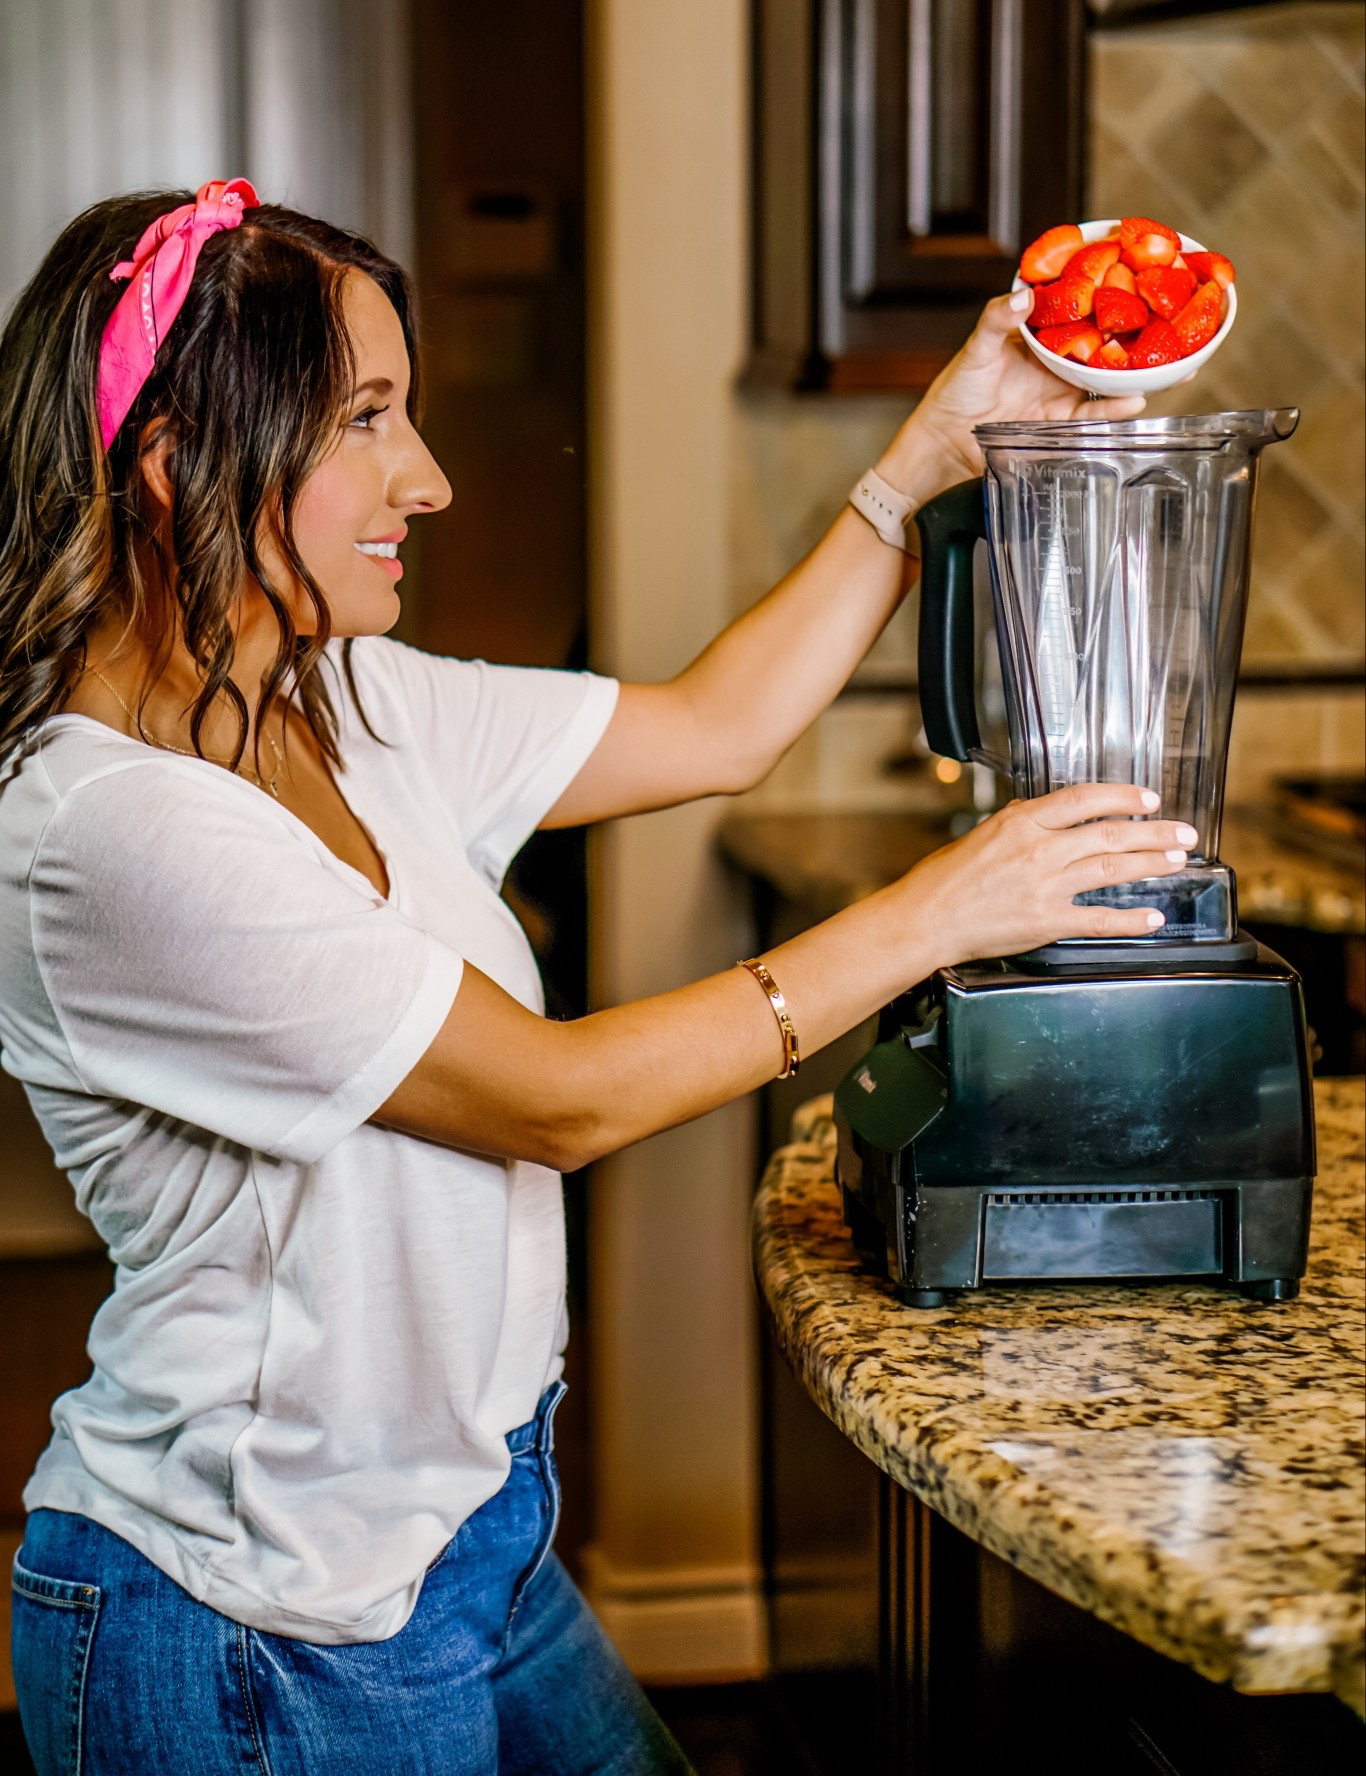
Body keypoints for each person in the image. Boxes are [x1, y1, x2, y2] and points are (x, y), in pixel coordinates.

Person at [0, 181, 1195, 1776]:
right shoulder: (98, 829)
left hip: (463, 1531)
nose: (423, 480)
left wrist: (921, 460)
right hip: (256, 1617)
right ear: (168, 462)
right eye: (363, 421)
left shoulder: (340, 695)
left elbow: (716, 727)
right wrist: (934, 914)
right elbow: (550, 1102)